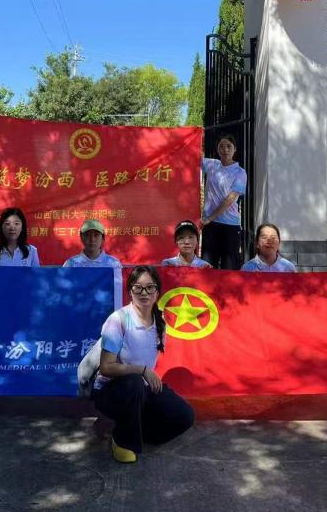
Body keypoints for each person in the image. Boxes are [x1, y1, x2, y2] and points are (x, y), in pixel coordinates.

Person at [92, 266, 195, 463]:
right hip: (111, 391)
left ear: (158, 292)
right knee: (134, 382)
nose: (144, 293)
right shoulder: (118, 320)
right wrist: (142, 370)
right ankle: (122, 440)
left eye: (150, 287)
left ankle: (140, 432)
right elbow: (106, 367)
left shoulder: (160, 321)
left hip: (141, 389)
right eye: (138, 288)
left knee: (185, 416)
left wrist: (145, 375)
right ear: (130, 291)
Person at [201, 135, 247, 270]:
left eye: (228, 146)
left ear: (235, 149)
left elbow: (231, 198)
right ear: (217, 149)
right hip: (210, 225)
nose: (225, 149)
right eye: (221, 146)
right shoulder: (211, 164)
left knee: (229, 268)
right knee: (208, 267)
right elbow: (189, 158)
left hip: (230, 225)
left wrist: (210, 217)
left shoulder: (240, 172)